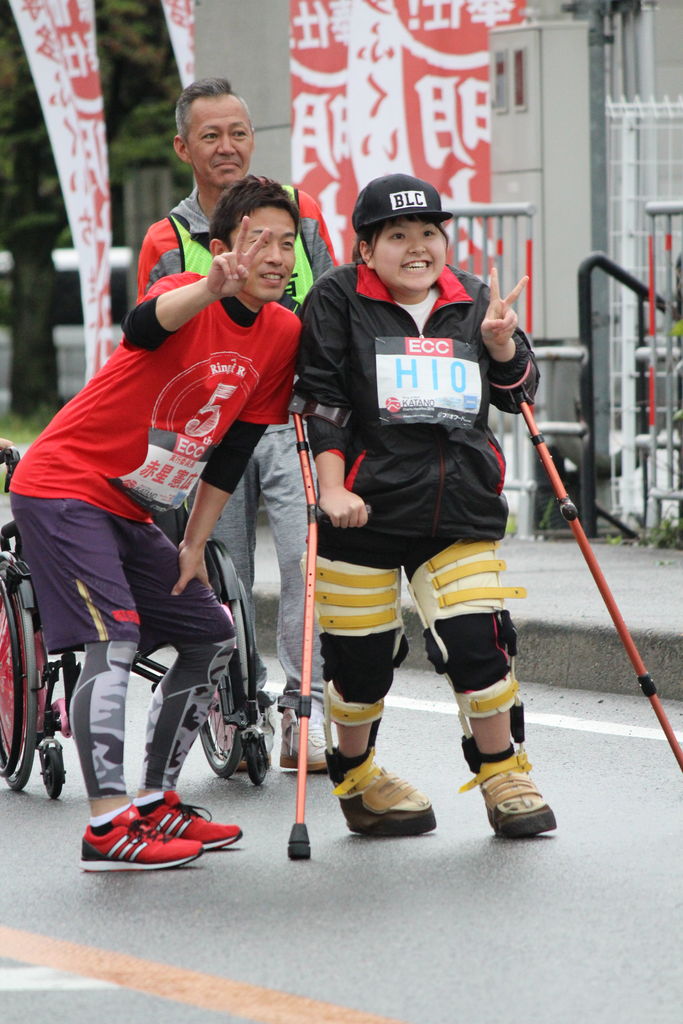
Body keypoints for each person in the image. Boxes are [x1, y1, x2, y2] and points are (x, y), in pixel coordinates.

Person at [9, 177, 302, 870]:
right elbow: (145, 325)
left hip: (132, 507)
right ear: (222, 247)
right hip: (64, 486)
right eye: (259, 239)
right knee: (113, 639)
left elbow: (233, 448)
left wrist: (195, 542)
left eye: (287, 243)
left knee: (211, 635)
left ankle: (154, 802)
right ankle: (107, 826)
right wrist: (209, 289)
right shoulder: (184, 294)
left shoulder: (282, 332)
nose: (275, 256)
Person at [292, 173, 557, 839]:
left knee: (477, 644)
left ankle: (503, 774)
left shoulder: (474, 298)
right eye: (398, 235)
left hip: (456, 506)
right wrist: (332, 489)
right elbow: (322, 399)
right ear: (366, 249)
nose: (417, 248)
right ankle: (357, 778)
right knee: (360, 666)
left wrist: (501, 345)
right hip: (363, 509)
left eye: (429, 233)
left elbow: (518, 393)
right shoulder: (337, 298)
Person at [137, 77, 335, 773]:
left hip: (290, 417)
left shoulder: (300, 212)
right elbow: (155, 338)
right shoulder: (167, 236)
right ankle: (233, 697)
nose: (227, 147)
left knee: (306, 563)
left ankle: (303, 714)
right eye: (211, 135)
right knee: (228, 572)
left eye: (239, 133)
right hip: (209, 428)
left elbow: (332, 305)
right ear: (183, 147)